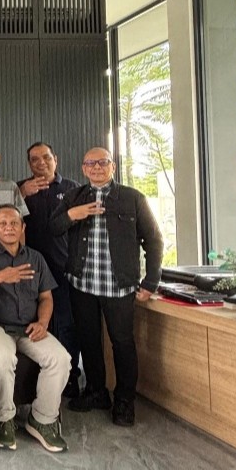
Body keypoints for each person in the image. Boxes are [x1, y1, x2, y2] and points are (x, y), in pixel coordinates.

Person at [51, 147, 163, 427]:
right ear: (83, 168)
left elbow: (154, 240)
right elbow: (52, 227)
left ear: (112, 166)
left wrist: (151, 281)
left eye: (103, 162)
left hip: (119, 286)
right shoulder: (74, 196)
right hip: (82, 283)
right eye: (91, 163)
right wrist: (71, 215)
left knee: (122, 344)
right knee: (88, 340)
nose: (97, 167)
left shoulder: (132, 198)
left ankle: (125, 402)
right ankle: (96, 391)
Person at [0, 204, 71, 453]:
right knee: (2, 357)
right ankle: (4, 419)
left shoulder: (35, 258)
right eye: (2, 223)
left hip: (28, 327)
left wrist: (43, 323)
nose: (9, 228)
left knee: (61, 358)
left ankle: (42, 419)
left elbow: (46, 297)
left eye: (14, 223)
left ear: (23, 227)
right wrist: (2, 275)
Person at [17, 142, 82, 396]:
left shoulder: (71, 189)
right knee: (34, 324)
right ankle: (37, 378)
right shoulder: (20, 188)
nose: (41, 163)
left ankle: (70, 377)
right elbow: (7, 219)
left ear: (55, 158)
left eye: (46, 157)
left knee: (66, 324)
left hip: (64, 267)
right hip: (30, 270)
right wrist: (21, 193)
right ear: (29, 163)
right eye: (34, 159)